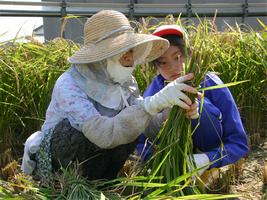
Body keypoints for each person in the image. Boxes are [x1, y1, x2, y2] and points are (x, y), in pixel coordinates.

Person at [21, 11, 199, 184]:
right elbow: (102, 134)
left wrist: (170, 107)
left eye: (131, 50)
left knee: (132, 125)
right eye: (122, 52)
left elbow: (146, 127)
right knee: (74, 133)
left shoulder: (126, 82)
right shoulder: (70, 84)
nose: (130, 59)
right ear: (102, 57)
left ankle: (104, 182)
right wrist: (152, 103)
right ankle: (70, 184)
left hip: (99, 162)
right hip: (62, 162)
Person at [136, 25, 249, 177]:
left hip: (208, 158)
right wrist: (155, 163)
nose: (173, 67)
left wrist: (206, 159)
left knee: (199, 105)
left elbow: (238, 143)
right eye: (163, 62)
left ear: (189, 54)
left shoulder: (211, 83)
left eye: (177, 57)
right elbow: (141, 141)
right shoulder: (154, 91)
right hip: (170, 161)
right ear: (155, 66)